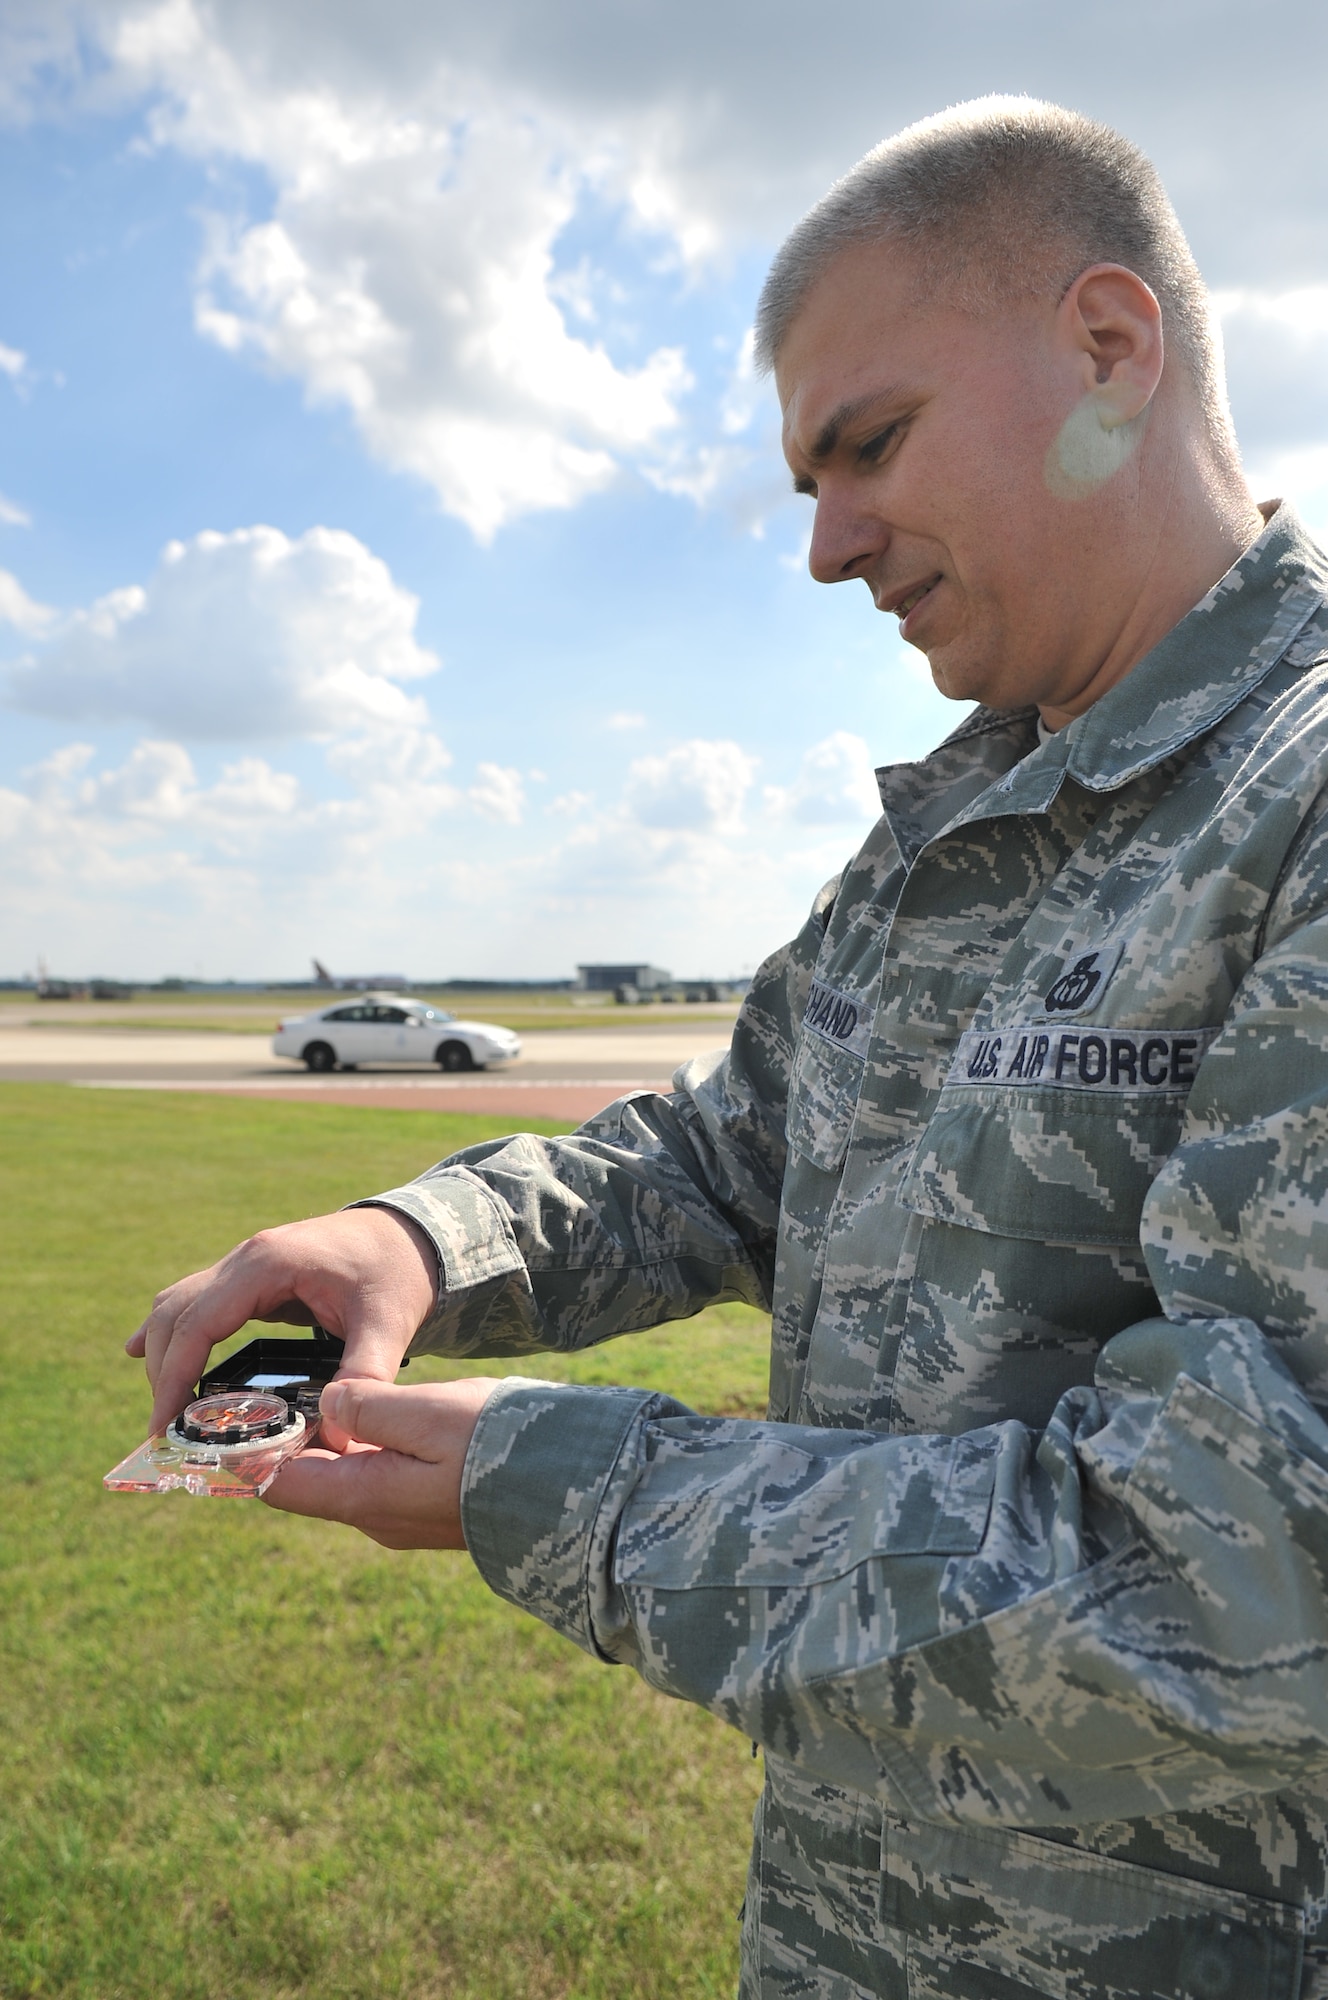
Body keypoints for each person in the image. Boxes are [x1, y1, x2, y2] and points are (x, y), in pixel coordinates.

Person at [130, 98, 1328, 1999]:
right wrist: (425, 1240)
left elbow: (1240, 1575)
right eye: (808, 482)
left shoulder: (1299, 804)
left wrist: (555, 1484)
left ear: (1111, 345)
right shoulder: (962, 817)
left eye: (872, 446)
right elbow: (723, 1152)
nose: (829, 546)